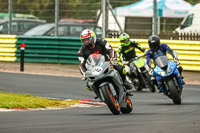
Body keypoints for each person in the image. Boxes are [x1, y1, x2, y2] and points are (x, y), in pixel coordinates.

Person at [78, 29, 133, 94]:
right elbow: (82, 64)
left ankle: (124, 83)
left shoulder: (102, 42)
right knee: (88, 85)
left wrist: (112, 59)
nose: (86, 42)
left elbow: (111, 50)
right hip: (94, 68)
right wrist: (84, 74)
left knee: (121, 69)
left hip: (108, 63)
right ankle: (100, 94)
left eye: (88, 39)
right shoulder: (81, 50)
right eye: (84, 40)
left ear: (93, 38)